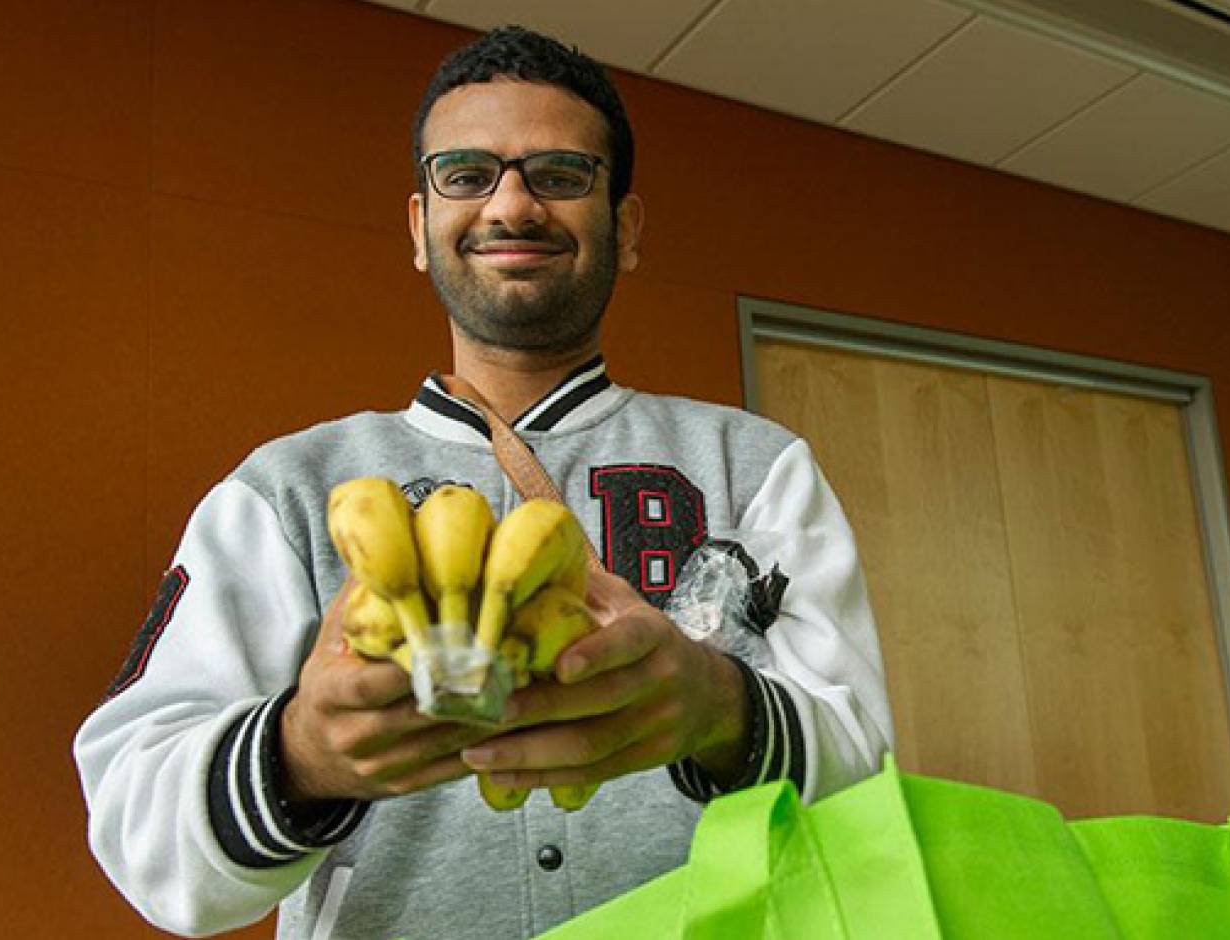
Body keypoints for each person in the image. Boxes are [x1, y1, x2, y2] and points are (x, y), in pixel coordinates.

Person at [73, 24, 893, 940]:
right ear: (422, 228)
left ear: (623, 229)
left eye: (560, 174)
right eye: (466, 175)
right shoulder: (289, 492)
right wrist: (301, 756)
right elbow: (142, 836)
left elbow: (866, 773)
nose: (512, 204)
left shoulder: (756, 466)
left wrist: (715, 706)